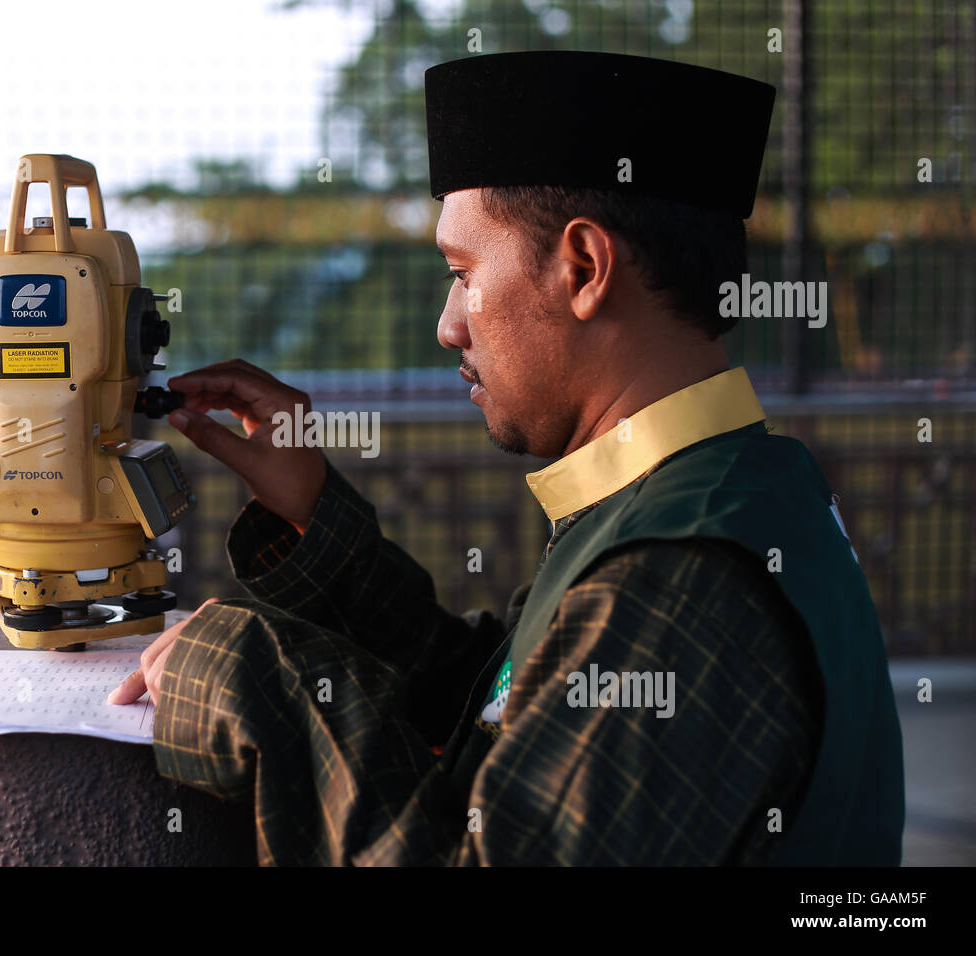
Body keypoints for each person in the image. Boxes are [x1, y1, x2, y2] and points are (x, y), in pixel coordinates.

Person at [109, 51, 905, 865]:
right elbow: (505, 714)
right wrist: (314, 515)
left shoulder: (677, 580)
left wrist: (256, 677)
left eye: (463, 273)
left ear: (584, 269)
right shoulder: (728, 487)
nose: (449, 324)